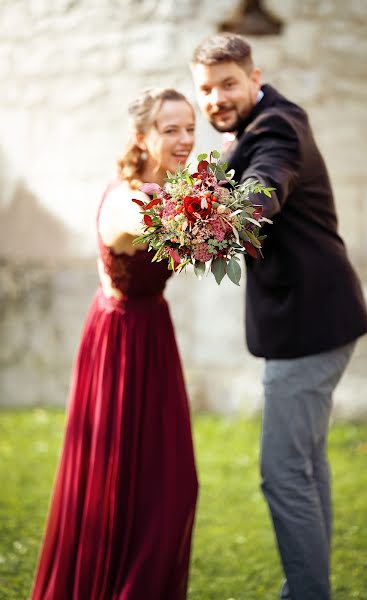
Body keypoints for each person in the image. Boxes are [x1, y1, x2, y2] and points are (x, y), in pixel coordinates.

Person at [191, 33, 367, 600]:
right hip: (323, 319)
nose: (217, 98)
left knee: (284, 472)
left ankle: (307, 593)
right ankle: (311, 588)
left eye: (228, 84)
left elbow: (266, 183)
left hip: (308, 327)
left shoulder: (274, 129)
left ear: (254, 76)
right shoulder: (261, 124)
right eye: (206, 89)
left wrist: (233, 209)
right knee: (307, 466)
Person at [31, 88, 198, 600]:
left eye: (190, 128)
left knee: (173, 484)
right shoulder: (131, 200)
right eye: (171, 129)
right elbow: (165, 230)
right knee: (122, 490)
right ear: (142, 137)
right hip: (120, 343)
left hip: (153, 334)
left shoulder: (171, 187)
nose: (185, 139)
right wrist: (212, 213)